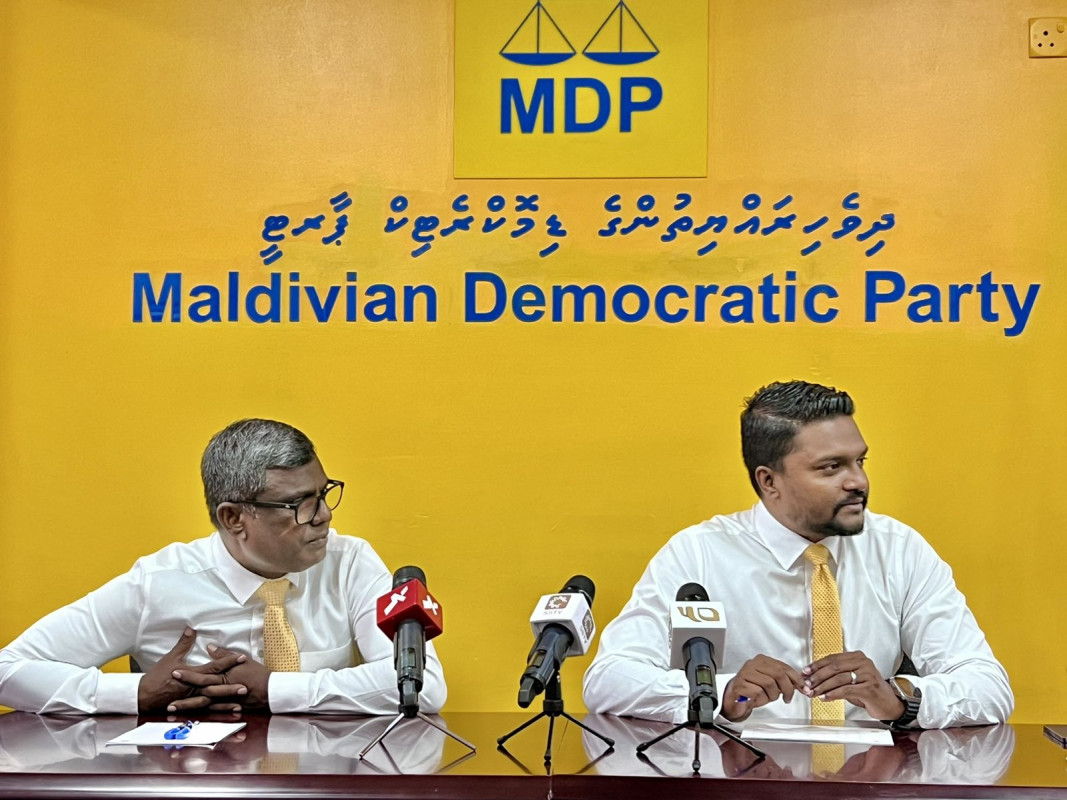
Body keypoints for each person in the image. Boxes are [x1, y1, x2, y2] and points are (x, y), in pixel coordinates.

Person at [582, 381, 1012, 729]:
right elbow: (609, 679)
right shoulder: (699, 554)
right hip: (738, 780)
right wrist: (720, 694)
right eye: (831, 467)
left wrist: (900, 698)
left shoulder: (899, 550)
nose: (858, 482)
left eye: (860, 461)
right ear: (769, 481)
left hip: (867, 783)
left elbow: (988, 686)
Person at [0, 419, 446, 715]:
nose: (324, 515)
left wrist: (275, 690)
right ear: (234, 518)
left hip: (329, 784)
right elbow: (9, 670)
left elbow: (421, 686)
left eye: (323, 493)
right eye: (298, 504)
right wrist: (136, 693)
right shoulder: (159, 584)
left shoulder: (348, 562)